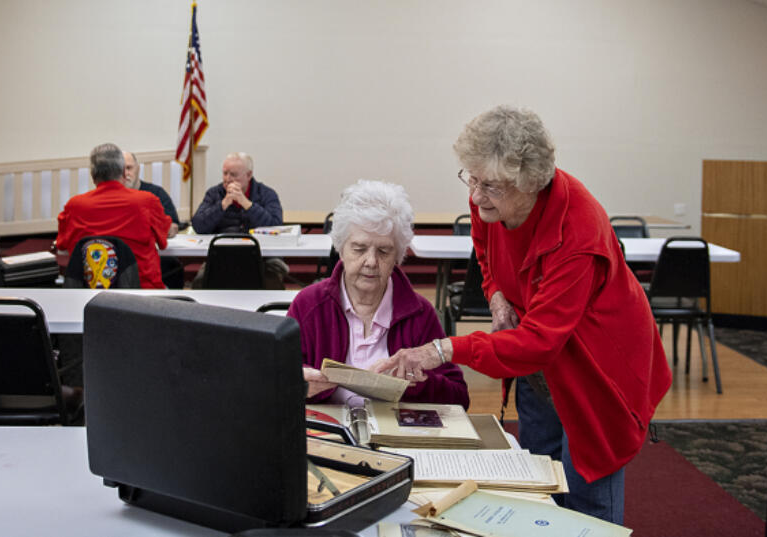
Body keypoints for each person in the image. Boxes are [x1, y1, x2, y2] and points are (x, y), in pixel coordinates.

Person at [376, 106, 671, 525]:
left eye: (489, 187)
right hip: (540, 357)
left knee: (587, 494)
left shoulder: (578, 232)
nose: (476, 198)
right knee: (538, 481)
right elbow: (484, 246)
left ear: (531, 184)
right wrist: (497, 296)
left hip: (598, 363)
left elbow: (539, 342)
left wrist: (442, 349)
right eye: (471, 180)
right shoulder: (491, 191)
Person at [288, 180, 468, 406]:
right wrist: (298, 382)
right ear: (341, 248)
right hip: (327, 435)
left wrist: (418, 382)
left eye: (384, 251)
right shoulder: (309, 305)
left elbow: (459, 397)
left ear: (398, 256)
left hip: (398, 437)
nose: (371, 262)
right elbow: (273, 379)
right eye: (359, 249)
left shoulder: (419, 314)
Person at [56, 143, 171, 289]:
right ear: (124, 172)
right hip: (143, 297)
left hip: (90, 298)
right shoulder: (147, 201)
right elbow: (163, 240)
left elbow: (61, 245)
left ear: (93, 175)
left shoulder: (74, 206)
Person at [191, 152, 284, 233]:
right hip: (222, 248)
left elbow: (276, 225)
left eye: (233, 175)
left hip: (256, 249)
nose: (227, 179)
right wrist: (222, 205)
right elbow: (198, 226)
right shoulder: (214, 193)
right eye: (225, 173)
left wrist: (246, 204)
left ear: (249, 175)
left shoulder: (266, 193)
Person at [123, 150, 180, 235]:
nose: (125, 173)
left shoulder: (156, 193)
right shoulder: (110, 196)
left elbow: (174, 226)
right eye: (121, 169)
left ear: (138, 169)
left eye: (129, 168)